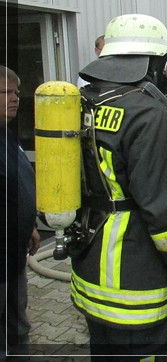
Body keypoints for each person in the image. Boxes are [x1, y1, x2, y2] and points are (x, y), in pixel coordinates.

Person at [73, 14, 167, 360]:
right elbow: (162, 208)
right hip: (134, 282)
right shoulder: (146, 113)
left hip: (88, 268)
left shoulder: (83, 102)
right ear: (153, 62)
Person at [1, 66, 41, 358]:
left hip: (14, 255)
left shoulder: (7, 135)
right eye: (6, 93)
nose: (15, 98)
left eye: (16, 92)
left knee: (17, 325)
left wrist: (30, 226)